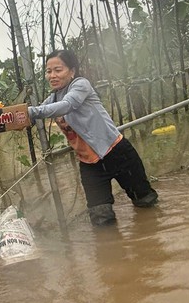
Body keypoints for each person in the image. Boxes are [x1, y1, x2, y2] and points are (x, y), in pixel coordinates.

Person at [28, 49, 158, 226]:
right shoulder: (52, 98)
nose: (52, 75)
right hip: (91, 165)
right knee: (101, 219)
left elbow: (67, 105)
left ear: (72, 71)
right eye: (49, 71)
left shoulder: (81, 85)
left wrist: (31, 112)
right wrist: (10, 118)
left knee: (146, 203)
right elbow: (36, 114)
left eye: (58, 70)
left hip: (117, 153)